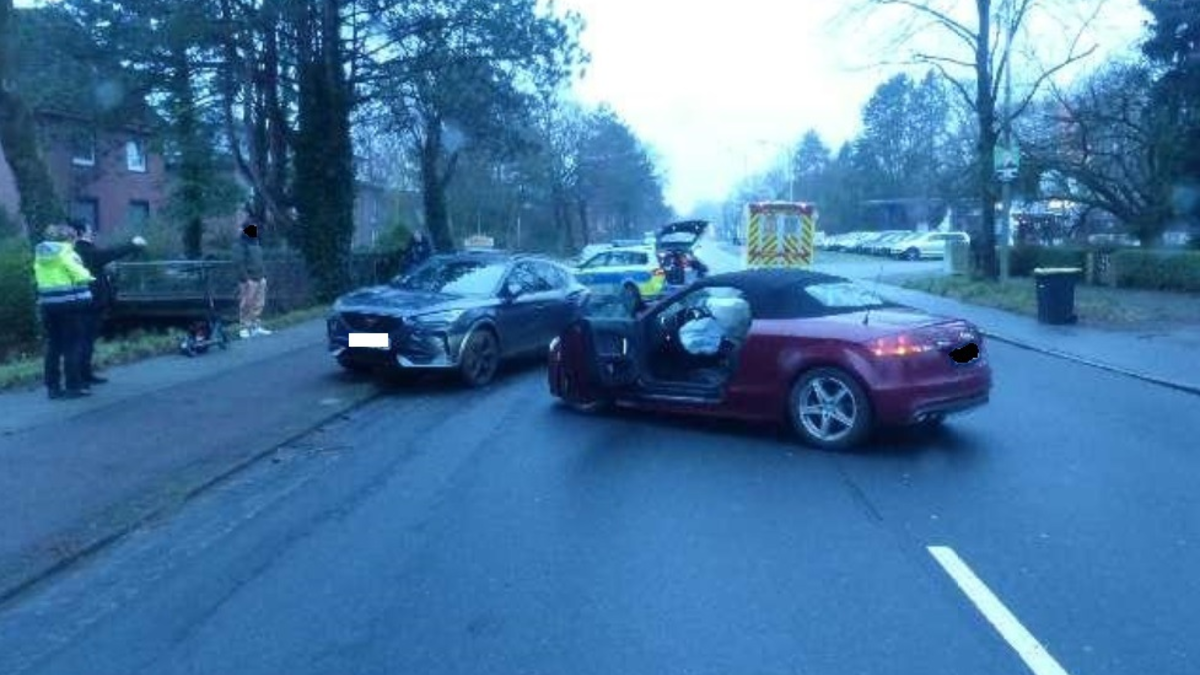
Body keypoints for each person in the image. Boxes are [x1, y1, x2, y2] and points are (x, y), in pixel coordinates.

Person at [70, 220, 146, 384]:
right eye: (89, 230)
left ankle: (85, 374)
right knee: (85, 339)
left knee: (87, 339)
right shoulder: (82, 249)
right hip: (90, 300)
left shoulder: (79, 250)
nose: (92, 232)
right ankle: (81, 376)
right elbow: (108, 254)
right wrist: (132, 244)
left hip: (88, 300)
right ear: (81, 232)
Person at [32, 224, 96, 399]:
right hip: (70, 304)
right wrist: (90, 275)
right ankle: (73, 386)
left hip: (48, 304)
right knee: (72, 345)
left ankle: (52, 388)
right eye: (74, 238)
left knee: (53, 345)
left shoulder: (41, 255)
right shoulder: (68, 253)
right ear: (69, 239)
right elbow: (80, 274)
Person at [236, 218, 271, 338]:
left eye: (254, 228)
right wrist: (246, 279)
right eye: (251, 228)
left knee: (259, 304)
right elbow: (239, 263)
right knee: (246, 303)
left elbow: (260, 260)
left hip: (260, 278)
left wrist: (263, 276)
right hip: (249, 280)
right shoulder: (240, 244)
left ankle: (255, 326)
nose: (254, 230)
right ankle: (243, 328)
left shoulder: (255, 242)